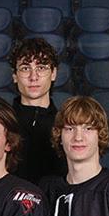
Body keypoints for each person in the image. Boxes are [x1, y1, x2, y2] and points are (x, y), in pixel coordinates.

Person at [10, 38, 66, 184]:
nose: (33, 77)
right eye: (25, 68)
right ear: (14, 76)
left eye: (41, 68)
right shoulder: (2, 122)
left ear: (53, 73)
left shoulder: (66, 124)